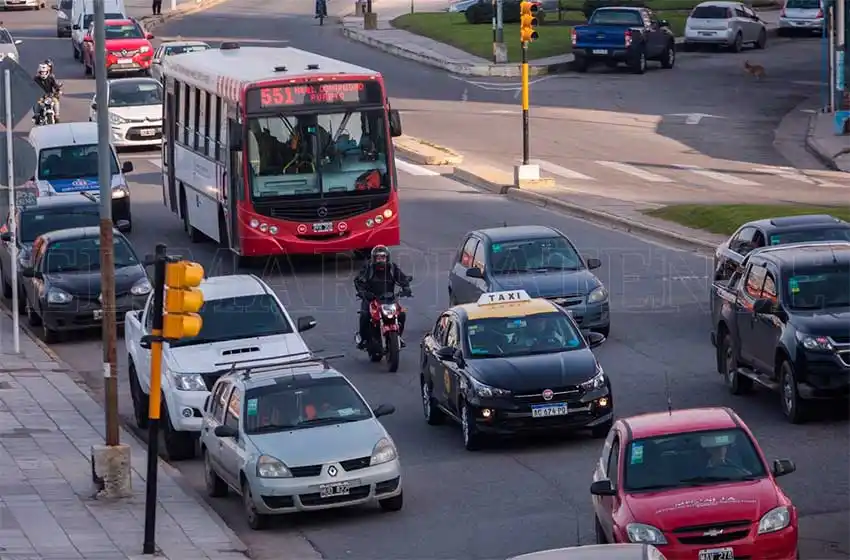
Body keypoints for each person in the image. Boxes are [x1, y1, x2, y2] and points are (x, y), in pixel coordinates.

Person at [354, 245, 412, 349]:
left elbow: (402, 278)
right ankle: (363, 339)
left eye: (383, 257)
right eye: (378, 257)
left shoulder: (392, 268)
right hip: (371, 299)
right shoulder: (368, 268)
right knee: (364, 315)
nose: (381, 260)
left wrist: (406, 287)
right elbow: (358, 281)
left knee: (402, 314)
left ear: (387, 258)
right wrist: (363, 292)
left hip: (389, 299)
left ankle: (398, 337)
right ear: (374, 258)